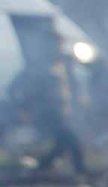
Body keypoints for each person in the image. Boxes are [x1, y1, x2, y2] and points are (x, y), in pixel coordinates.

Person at [10, 36, 85, 177]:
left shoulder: (62, 64)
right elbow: (18, 87)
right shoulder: (38, 67)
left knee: (61, 145)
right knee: (71, 140)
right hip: (46, 112)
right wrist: (25, 107)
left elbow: (70, 87)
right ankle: (80, 170)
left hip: (60, 111)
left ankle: (40, 168)